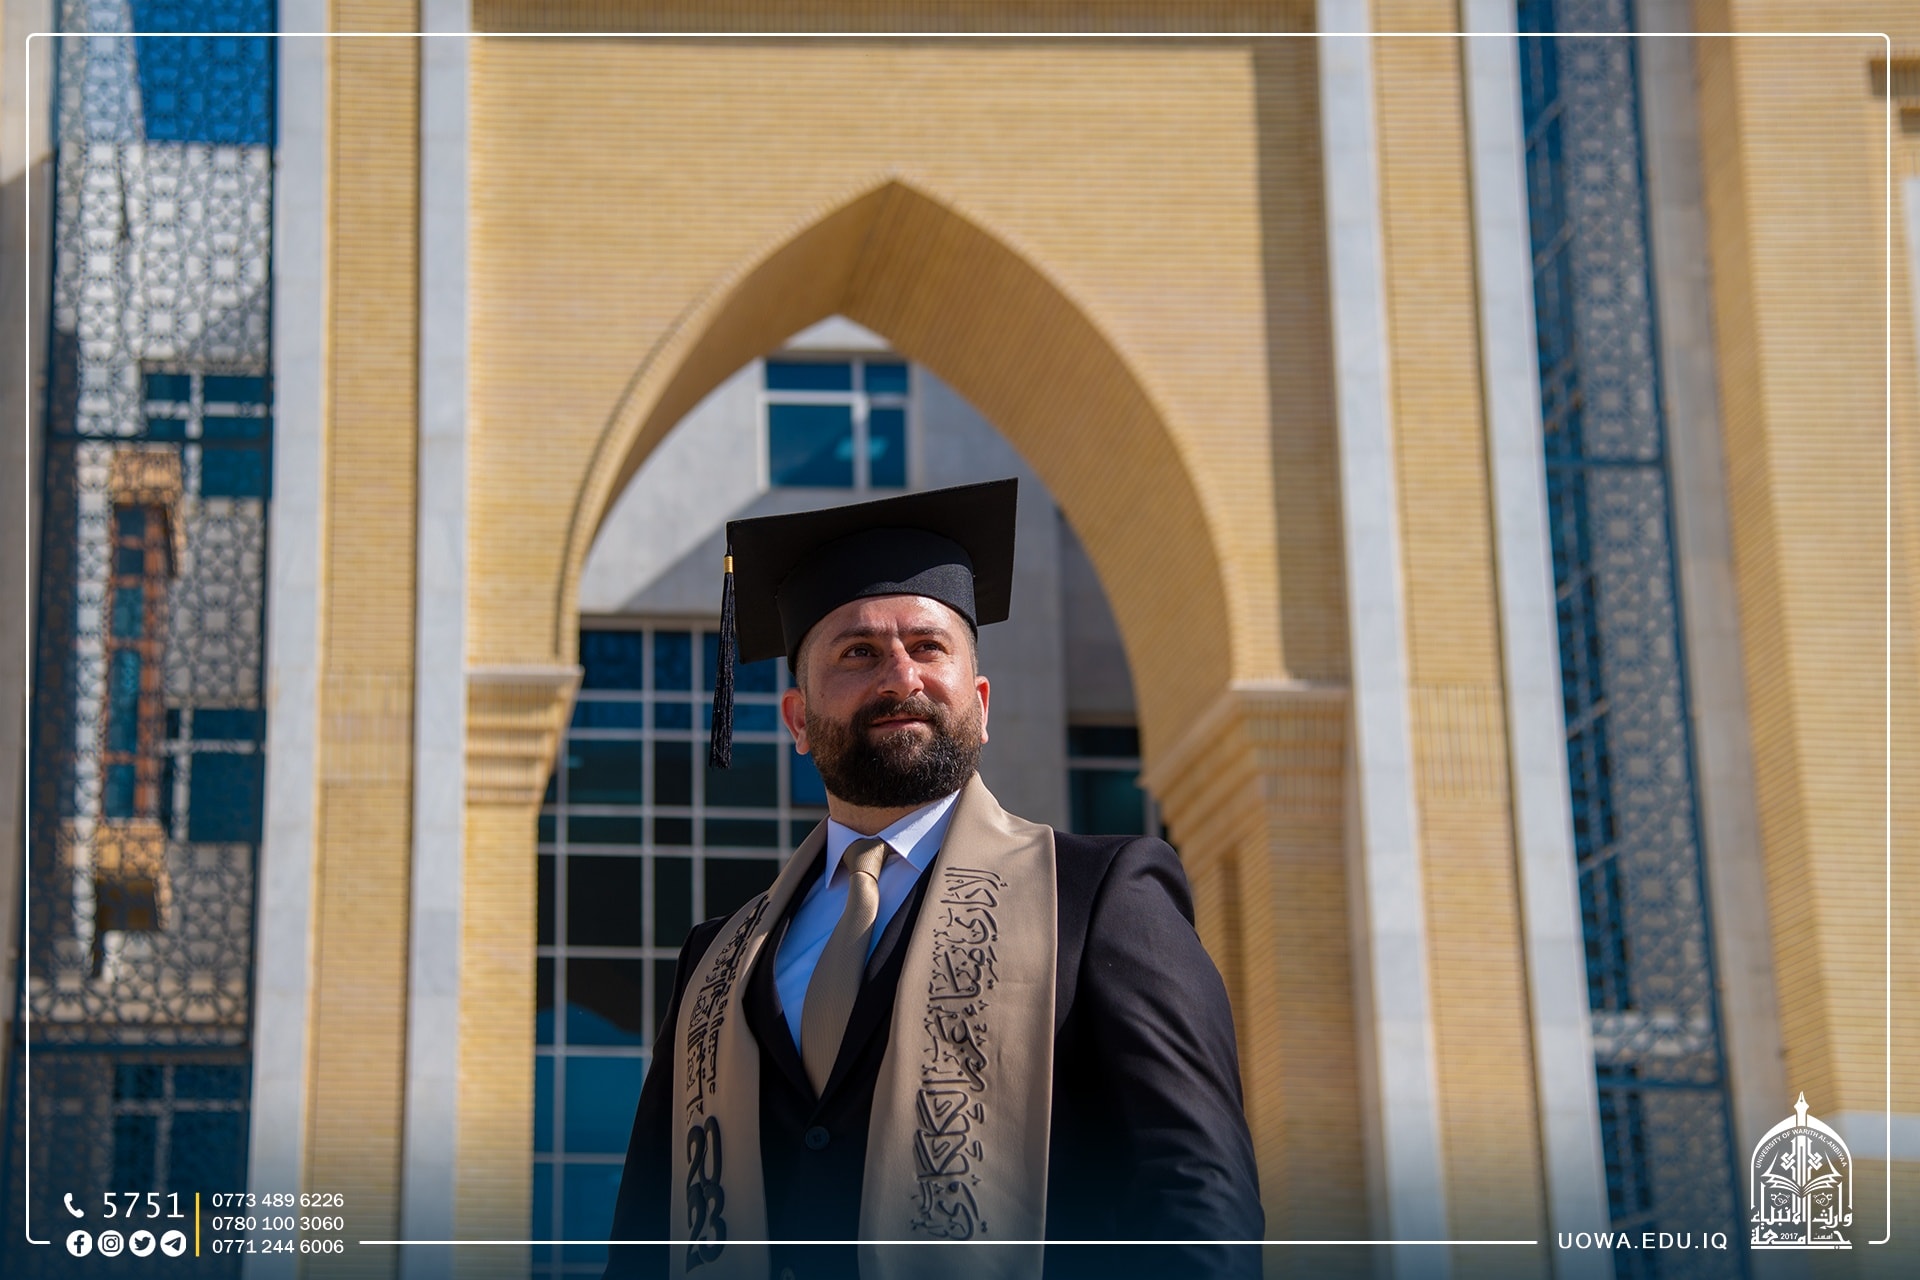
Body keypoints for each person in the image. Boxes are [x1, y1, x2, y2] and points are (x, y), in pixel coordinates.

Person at [604, 479, 1262, 1280]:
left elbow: (1198, 1198)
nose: (900, 677)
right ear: (798, 721)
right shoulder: (717, 962)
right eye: (858, 652)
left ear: (979, 704)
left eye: (927, 647)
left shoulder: (1097, 899)